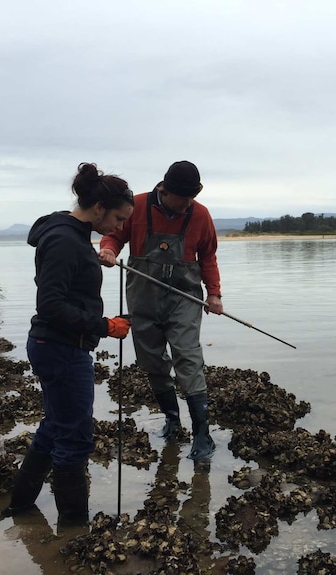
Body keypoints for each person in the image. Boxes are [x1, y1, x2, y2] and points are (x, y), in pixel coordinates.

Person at [3, 162, 135, 524]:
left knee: (53, 428)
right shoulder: (64, 239)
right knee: (74, 440)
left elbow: (68, 282)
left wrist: (96, 258)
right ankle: (74, 531)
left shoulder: (73, 235)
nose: (119, 228)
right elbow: (49, 304)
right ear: (98, 208)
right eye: (119, 219)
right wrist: (104, 325)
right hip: (60, 348)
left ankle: (20, 507)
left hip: (58, 345)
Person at [97, 160, 223, 462]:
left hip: (185, 298)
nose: (186, 204)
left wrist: (215, 293)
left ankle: (202, 434)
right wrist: (109, 250)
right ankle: (171, 419)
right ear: (163, 190)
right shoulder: (136, 206)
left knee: (188, 357)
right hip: (143, 298)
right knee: (151, 360)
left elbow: (208, 256)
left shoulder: (201, 215)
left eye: (191, 198)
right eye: (181, 198)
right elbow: (114, 234)